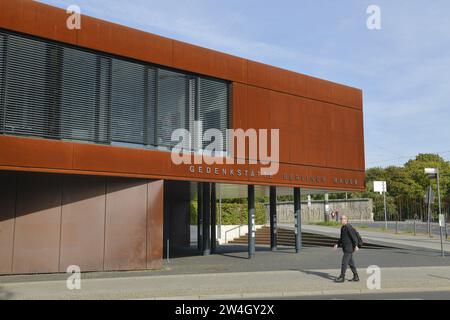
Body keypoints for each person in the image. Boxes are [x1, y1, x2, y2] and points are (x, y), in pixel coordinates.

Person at [333, 215, 359, 282]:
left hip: (349, 248)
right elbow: (341, 238)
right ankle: (356, 276)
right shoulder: (343, 228)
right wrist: (337, 244)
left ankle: (342, 277)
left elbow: (354, 237)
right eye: (340, 219)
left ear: (346, 220)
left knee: (344, 262)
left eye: (342, 219)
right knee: (351, 263)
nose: (341, 220)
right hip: (345, 248)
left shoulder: (348, 227)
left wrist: (356, 245)